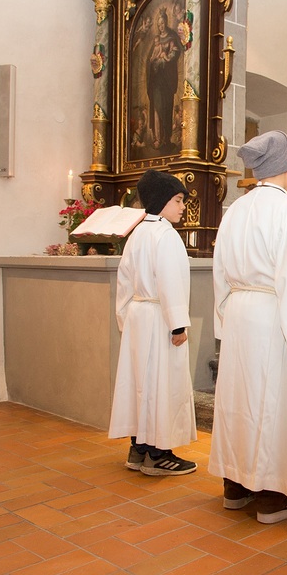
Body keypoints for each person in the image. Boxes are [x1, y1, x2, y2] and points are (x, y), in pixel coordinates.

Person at [209, 130, 287, 524]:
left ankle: (236, 486)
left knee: (239, 401)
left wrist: (226, 318)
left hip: (240, 313)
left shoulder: (236, 210)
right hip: (273, 316)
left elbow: (220, 273)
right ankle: (273, 498)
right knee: (272, 404)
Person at [108, 169, 198, 476]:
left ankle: (139, 449)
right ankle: (159, 455)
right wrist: (178, 325)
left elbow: (124, 282)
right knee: (162, 384)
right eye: (178, 200)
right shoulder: (165, 235)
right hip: (161, 318)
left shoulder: (137, 234)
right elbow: (171, 282)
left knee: (141, 384)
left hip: (138, 315)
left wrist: (126, 319)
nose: (183, 207)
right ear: (161, 201)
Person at [146, 8, 182, 149]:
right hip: (156, 81)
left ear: (166, 22)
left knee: (166, 107)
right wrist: (153, 61)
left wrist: (165, 58)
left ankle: (166, 138)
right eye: (158, 24)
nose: (161, 26)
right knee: (156, 107)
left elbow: (175, 52)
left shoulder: (171, 38)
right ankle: (157, 138)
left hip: (166, 80)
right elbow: (150, 59)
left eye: (162, 23)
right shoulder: (156, 41)